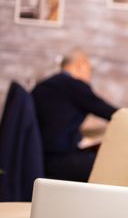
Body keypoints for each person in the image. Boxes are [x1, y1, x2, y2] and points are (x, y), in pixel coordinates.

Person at [32, 49, 118, 182]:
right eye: (90, 69)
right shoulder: (74, 86)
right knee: (112, 166)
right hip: (59, 160)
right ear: (80, 65)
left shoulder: (42, 86)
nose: (90, 75)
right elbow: (112, 113)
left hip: (37, 159)